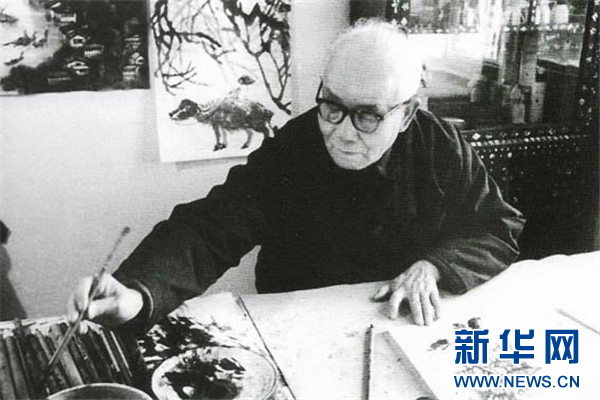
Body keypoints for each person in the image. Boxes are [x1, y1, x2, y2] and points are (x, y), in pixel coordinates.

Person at [67, 20, 524, 333]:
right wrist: (138, 293)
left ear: (405, 115)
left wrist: (435, 265)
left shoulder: (439, 143)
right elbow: (210, 229)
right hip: (300, 322)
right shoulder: (295, 146)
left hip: (405, 324)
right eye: (333, 106)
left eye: (368, 116)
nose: (342, 132)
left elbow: (497, 227)